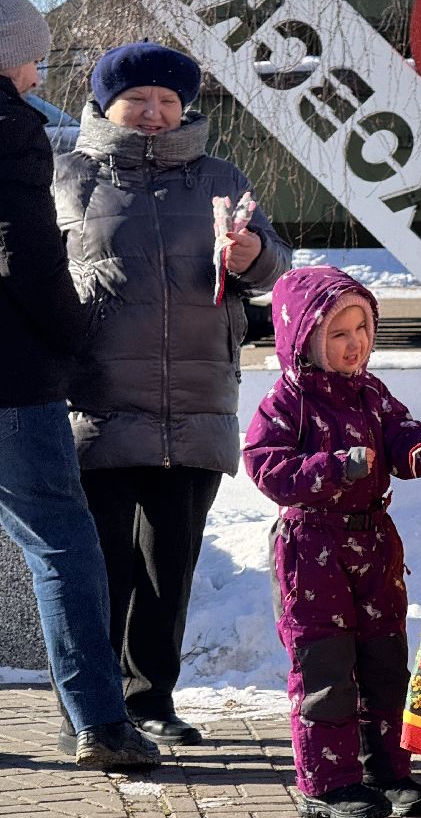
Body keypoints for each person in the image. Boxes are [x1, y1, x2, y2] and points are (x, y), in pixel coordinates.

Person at [53, 41, 290, 747]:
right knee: (98, 566)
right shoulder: (66, 177)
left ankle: (151, 698)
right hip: (95, 401)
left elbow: (274, 264)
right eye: (138, 100)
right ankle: (92, 710)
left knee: (170, 564)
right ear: (105, 104)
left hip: (196, 399)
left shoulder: (221, 177)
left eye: (167, 101)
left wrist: (257, 258)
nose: (154, 114)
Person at [0, 0, 161, 770]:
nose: (38, 66)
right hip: (10, 381)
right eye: (31, 51)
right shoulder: (13, 131)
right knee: (62, 543)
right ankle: (100, 722)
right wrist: (76, 334)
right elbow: (26, 254)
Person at [243, 266, 421, 818]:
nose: (355, 343)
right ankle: (327, 782)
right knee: (327, 668)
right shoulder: (288, 401)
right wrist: (332, 468)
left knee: (384, 661)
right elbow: (265, 466)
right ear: (306, 338)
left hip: (374, 549)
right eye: (338, 333)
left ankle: (386, 771)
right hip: (312, 552)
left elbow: (402, 441)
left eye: (362, 328)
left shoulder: (372, 393)